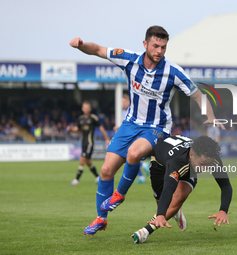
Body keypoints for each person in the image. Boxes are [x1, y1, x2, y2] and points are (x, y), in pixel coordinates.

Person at [69, 25, 224, 235]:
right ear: (145, 44)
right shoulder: (129, 59)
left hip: (157, 128)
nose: (159, 51)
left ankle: (120, 195)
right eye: (155, 46)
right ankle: (101, 219)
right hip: (130, 125)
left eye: (163, 47)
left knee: (134, 153)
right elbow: (98, 50)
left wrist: (212, 117)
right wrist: (80, 46)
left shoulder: (173, 71)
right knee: (106, 170)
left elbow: (197, 94)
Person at [131, 135, 232, 244]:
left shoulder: (211, 158)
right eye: (202, 165)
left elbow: (226, 186)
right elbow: (168, 190)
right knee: (162, 202)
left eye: (207, 165)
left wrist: (223, 210)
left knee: (179, 196)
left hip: (186, 166)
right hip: (159, 163)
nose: (204, 169)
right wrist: (160, 214)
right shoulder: (176, 163)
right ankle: (176, 210)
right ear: (192, 154)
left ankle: (145, 231)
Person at [67, 101, 110, 186]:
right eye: (84, 107)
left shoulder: (93, 118)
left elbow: (101, 128)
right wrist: (71, 129)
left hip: (90, 143)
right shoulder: (80, 118)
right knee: (88, 162)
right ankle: (98, 177)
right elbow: (77, 129)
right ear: (82, 108)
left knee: (82, 159)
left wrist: (106, 139)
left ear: (90, 109)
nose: (86, 109)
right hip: (83, 143)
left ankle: (76, 180)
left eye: (88, 107)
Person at [113, 94, 149, 184]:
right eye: (122, 102)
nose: (123, 103)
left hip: (132, 135)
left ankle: (144, 165)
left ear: (129, 102)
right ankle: (141, 176)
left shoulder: (131, 111)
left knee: (128, 156)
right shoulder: (123, 111)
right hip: (127, 134)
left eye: (124, 102)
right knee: (129, 158)